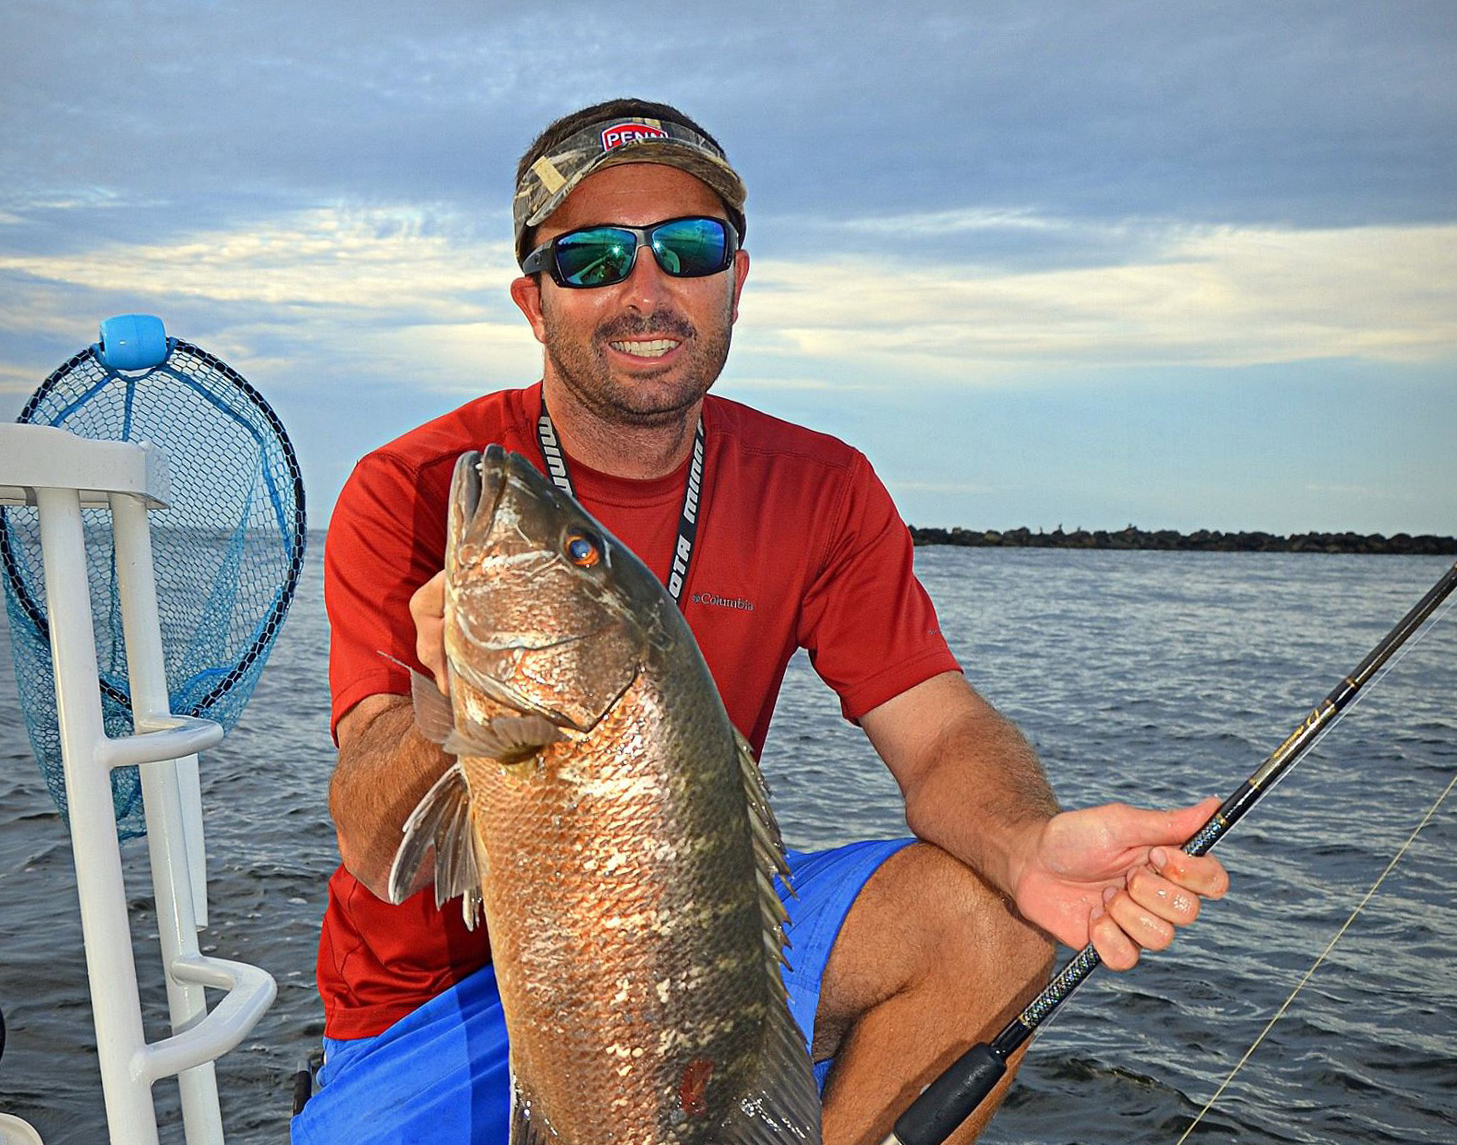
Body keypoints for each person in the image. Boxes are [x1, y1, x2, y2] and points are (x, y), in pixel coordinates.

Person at [293, 97, 1229, 1145]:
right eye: (592, 259)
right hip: (423, 1018)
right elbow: (375, 842)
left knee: (992, 921)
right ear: (533, 299)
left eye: (686, 248)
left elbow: (942, 731)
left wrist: (1023, 842)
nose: (644, 291)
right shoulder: (409, 486)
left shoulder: (819, 487)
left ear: (735, 279)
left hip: (693, 975)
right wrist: (446, 697)